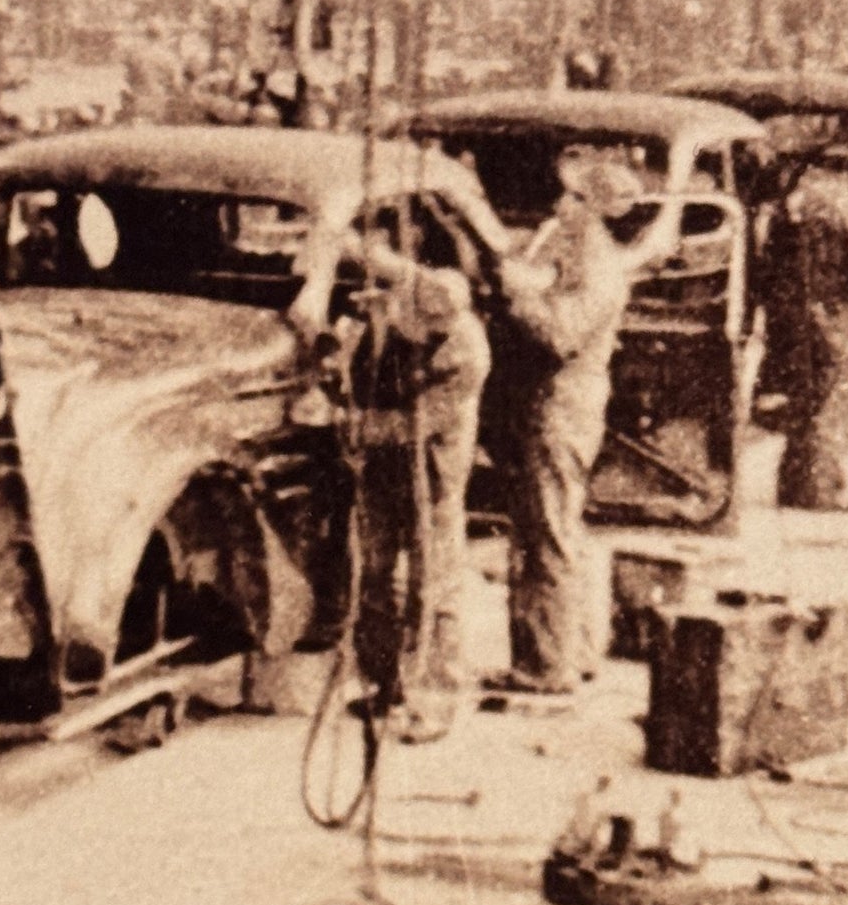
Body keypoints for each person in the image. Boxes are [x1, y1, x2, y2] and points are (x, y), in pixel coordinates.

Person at [289, 212, 494, 741]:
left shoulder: (466, 354)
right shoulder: (413, 294)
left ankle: (433, 701)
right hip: (382, 470)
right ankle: (382, 685)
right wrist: (340, 242)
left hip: (432, 473)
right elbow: (380, 263)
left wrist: (339, 420)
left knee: (433, 588)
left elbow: (413, 423)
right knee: (373, 577)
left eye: (414, 327)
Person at [485, 153, 684, 696]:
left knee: (548, 532)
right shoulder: (577, 253)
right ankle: (567, 649)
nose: (559, 204)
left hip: (561, 405)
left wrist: (516, 294)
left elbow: (559, 334)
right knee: (550, 528)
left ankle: (547, 666)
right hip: (555, 402)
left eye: (573, 198)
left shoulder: (597, 265)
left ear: (595, 210)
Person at [764, 138, 848, 511]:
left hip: (806, 307)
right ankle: (821, 489)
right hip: (844, 311)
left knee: (807, 396)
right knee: (837, 399)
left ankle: (794, 485)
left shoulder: (812, 199)